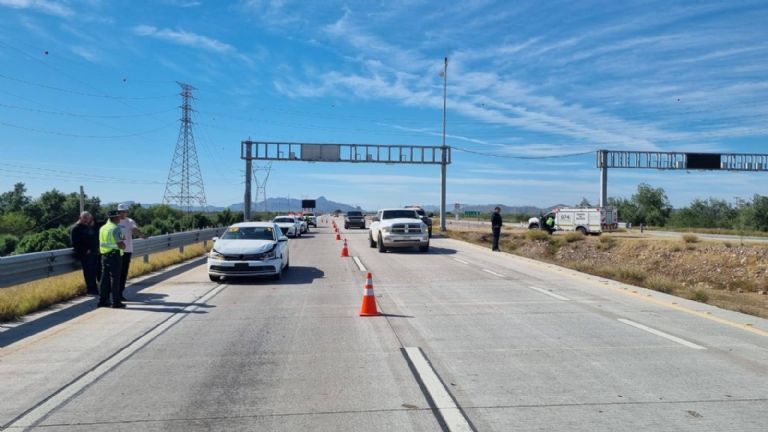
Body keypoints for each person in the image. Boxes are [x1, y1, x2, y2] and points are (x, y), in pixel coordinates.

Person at [117, 203, 146, 301]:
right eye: (121, 212)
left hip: (126, 251)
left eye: (124, 212)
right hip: (116, 251)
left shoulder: (129, 221)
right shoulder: (114, 221)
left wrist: (140, 234)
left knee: (123, 273)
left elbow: (134, 230)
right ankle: (115, 294)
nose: (122, 213)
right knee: (116, 273)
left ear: (127, 212)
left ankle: (119, 293)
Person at [99, 209, 126, 308]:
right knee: (115, 279)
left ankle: (103, 301)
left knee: (104, 279)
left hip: (104, 255)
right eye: (118, 216)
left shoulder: (103, 228)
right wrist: (124, 246)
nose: (120, 218)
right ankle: (116, 302)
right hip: (114, 256)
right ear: (115, 217)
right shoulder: (116, 228)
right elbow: (121, 244)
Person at [70, 211, 99, 295]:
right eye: (85, 218)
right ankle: (91, 290)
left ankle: (95, 288)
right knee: (88, 272)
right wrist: (85, 250)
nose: (87, 220)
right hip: (85, 254)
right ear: (80, 218)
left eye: (88, 219)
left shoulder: (87, 226)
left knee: (94, 272)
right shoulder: (76, 228)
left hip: (93, 253)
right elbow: (75, 243)